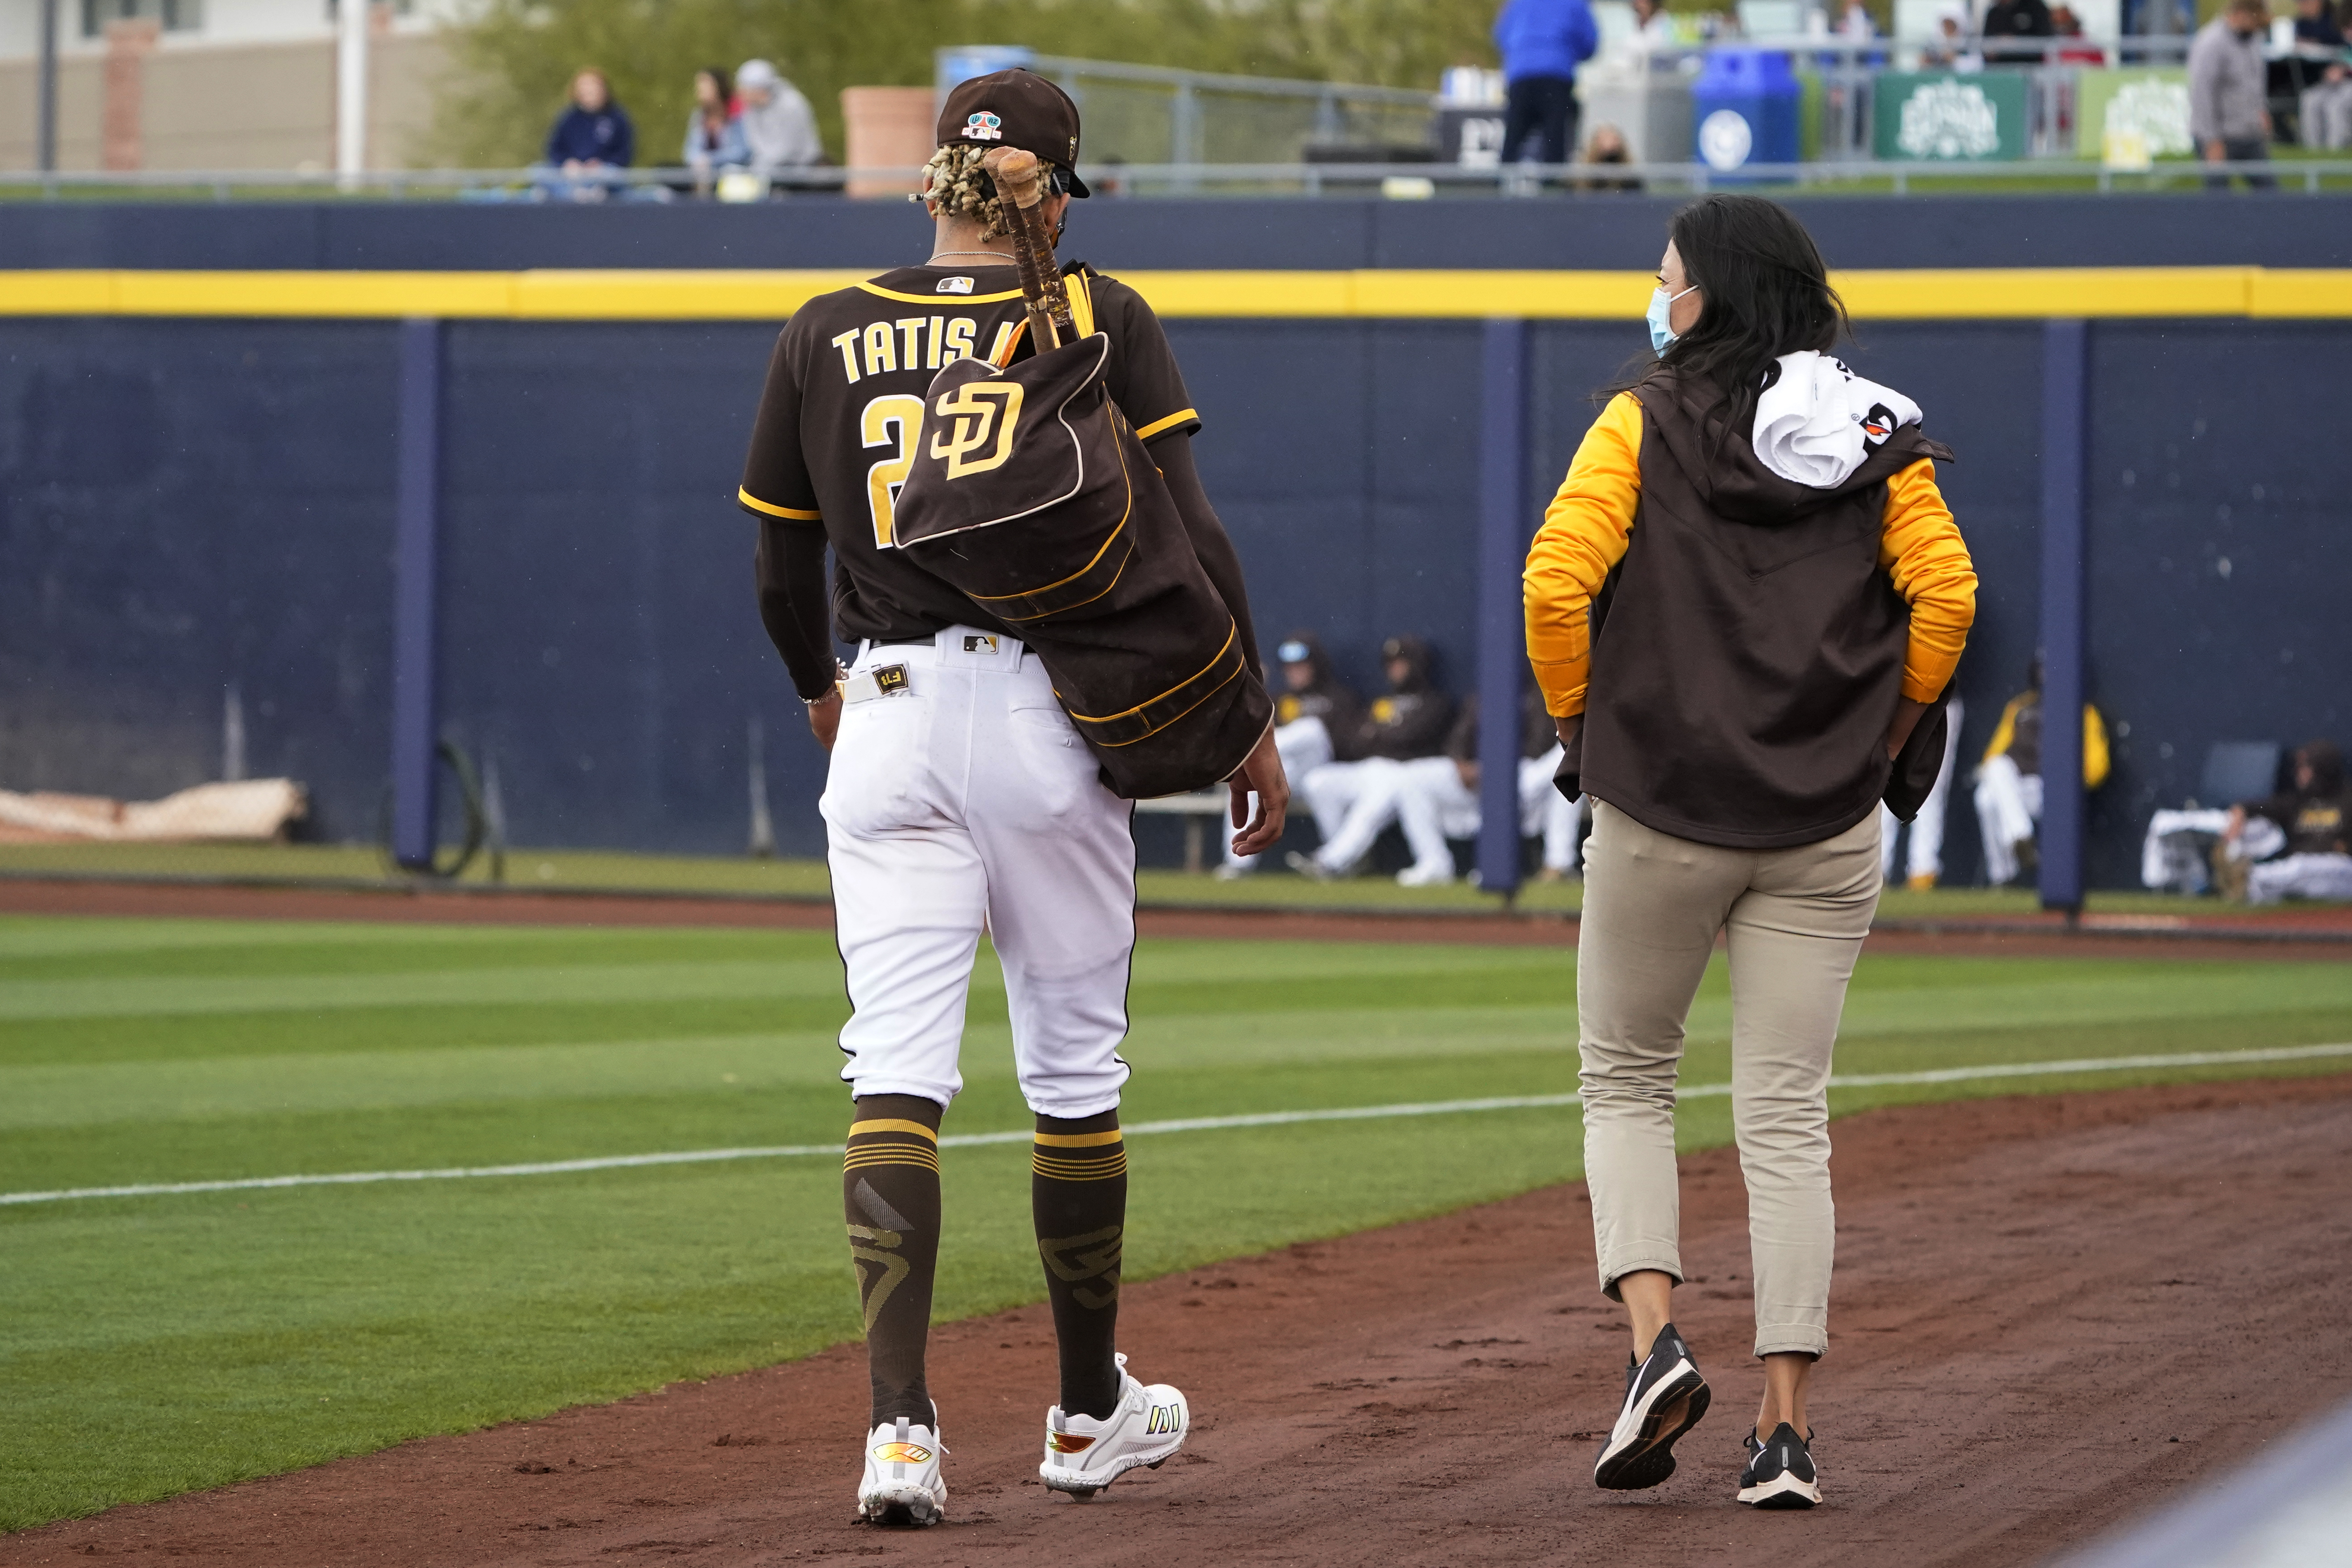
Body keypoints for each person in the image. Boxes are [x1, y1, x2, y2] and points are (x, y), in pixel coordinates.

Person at [735, 67, 1285, 1528]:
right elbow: (1191, 535)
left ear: (935, 181)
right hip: (1048, 715)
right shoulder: (1096, 316)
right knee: (1074, 1076)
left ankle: (900, 1435)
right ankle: (1090, 1409)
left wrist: (817, 683)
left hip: (890, 709)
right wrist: (1246, 725)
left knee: (895, 1073)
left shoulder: (825, 327)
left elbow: (784, 572)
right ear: (1050, 188)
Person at [1524, 194, 1975, 1509]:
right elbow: (1945, 594)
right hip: (1823, 817)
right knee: (1784, 1116)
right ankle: (1782, 1431)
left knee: (1625, 1083)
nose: (1657, 296)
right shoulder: (1880, 425)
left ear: (1712, 292)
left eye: (1668, 277)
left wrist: (1574, 718)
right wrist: (1888, 733)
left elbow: (1558, 582)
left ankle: (1656, 1346)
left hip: (1660, 800)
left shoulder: (1644, 416)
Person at [1382, 684, 1586, 887]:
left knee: (1564, 769)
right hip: (1477, 778)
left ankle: (1555, 864)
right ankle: (1434, 862)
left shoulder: (1540, 697)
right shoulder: (1484, 694)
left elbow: (1539, 747)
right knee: (1411, 779)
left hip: (1526, 777)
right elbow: (1458, 739)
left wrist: (1498, 769)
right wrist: (1461, 762)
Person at [1287, 635, 1456, 879]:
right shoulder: (1381, 702)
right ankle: (1345, 856)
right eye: (1391, 664)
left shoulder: (1435, 702)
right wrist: (1384, 734)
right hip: (1370, 767)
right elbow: (1355, 739)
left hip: (1406, 772)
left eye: (1402, 663)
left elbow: (1411, 737)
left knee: (1375, 800)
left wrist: (1379, 733)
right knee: (1319, 782)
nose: (1395, 669)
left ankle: (1332, 861)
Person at [1219, 632, 1361, 878]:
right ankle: (1238, 863)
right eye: (1290, 667)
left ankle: (1342, 860)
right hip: (1291, 773)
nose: (1295, 672)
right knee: (1252, 779)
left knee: (1312, 729)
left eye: (1301, 666)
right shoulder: (1278, 700)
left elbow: (1348, 743)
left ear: (1315, 665)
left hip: (1327, 769)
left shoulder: (1339, 698)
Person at [1971, 658, 2110, 886]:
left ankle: (2004, 875)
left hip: (2051, 789)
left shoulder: (2082, 711)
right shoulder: (2019, 707)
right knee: (1992, 779)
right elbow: (1993, 754)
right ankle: (2019, 840)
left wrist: (2072, 783)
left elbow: (2098, 766)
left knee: (1986, 799)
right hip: (2018, 787)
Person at [2215, 741, 2352, 903]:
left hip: (2341, 870)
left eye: (2306, 767)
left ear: (2323, 769)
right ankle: (2245, 881)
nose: (2300, 773)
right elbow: (2251, 807)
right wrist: (2239, 815)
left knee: (2301, 868)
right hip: (2305, 874)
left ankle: (2248, 879)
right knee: (2294, 869)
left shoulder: (2347, 799)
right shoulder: (2299, 801)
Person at [1494, 0, 1601, 166]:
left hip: (1521, 76)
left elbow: (1502, 36)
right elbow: (1590, 43)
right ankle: (1553, 187)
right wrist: (1566, 52)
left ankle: (1498, 185)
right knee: (1555, 142)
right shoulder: (1575, 3)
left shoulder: (1519, 3)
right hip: (1556, 76)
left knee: (1512, 141)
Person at [1880, 693, 1964, 889]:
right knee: (1883, 782)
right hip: (1896, 697)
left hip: (1940, 700)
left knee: (1930, 788)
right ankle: (1879, 869)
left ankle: (1923, 872)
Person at [2190, 0, 2278, 189]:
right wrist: (2211, 140)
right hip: (2219, 136)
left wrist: (2262, 111)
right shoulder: (2210, 43)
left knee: (2272, 199)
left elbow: (2255, 81)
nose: (2259, 27)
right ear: (2241, 13)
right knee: (2219, 206)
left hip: (2249, 135)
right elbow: (2202, 95)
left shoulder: (2254, 39)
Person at [735, 58, 824, 179]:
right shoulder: (750, 108)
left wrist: (757, 171)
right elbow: (755, 143)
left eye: (744, 89)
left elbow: (787, 150)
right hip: (769, 170)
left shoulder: (792, 105)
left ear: (759, 89)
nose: (740, 93)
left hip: (801, 170)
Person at [543, 68, 635, 185]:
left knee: (611, 174)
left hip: (604, 173)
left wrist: (599, 165)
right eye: (585, 91)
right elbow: (555, 150)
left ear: (604, 90)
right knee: (539, 172)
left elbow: (624, 153)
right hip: (573, 173)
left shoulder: (618, 118)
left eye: (593, 89)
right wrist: (568, 163)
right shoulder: (568, 118)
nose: (589, 94)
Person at [682, 65, 748, 195]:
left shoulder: (737, 114)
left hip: (731, 175)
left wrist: (711, 160)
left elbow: (742, 152)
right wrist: (699, 161)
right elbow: (690, 151)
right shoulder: (699, 116)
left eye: (705, 86)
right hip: (702, 174)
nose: (700, 90)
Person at [1980, 0, 2056, 64]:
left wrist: (2015, 41)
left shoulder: (2035, 7)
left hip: (2030, 67)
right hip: (2000, 69)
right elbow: (1986, 44)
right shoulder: (1994, 13)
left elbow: (2046, 38)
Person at [1580, 122, 1644, 190]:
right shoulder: (1583, 176)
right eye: (1604, 139)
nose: (1608, 144)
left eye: (1614, 139)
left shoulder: (1630, 178)